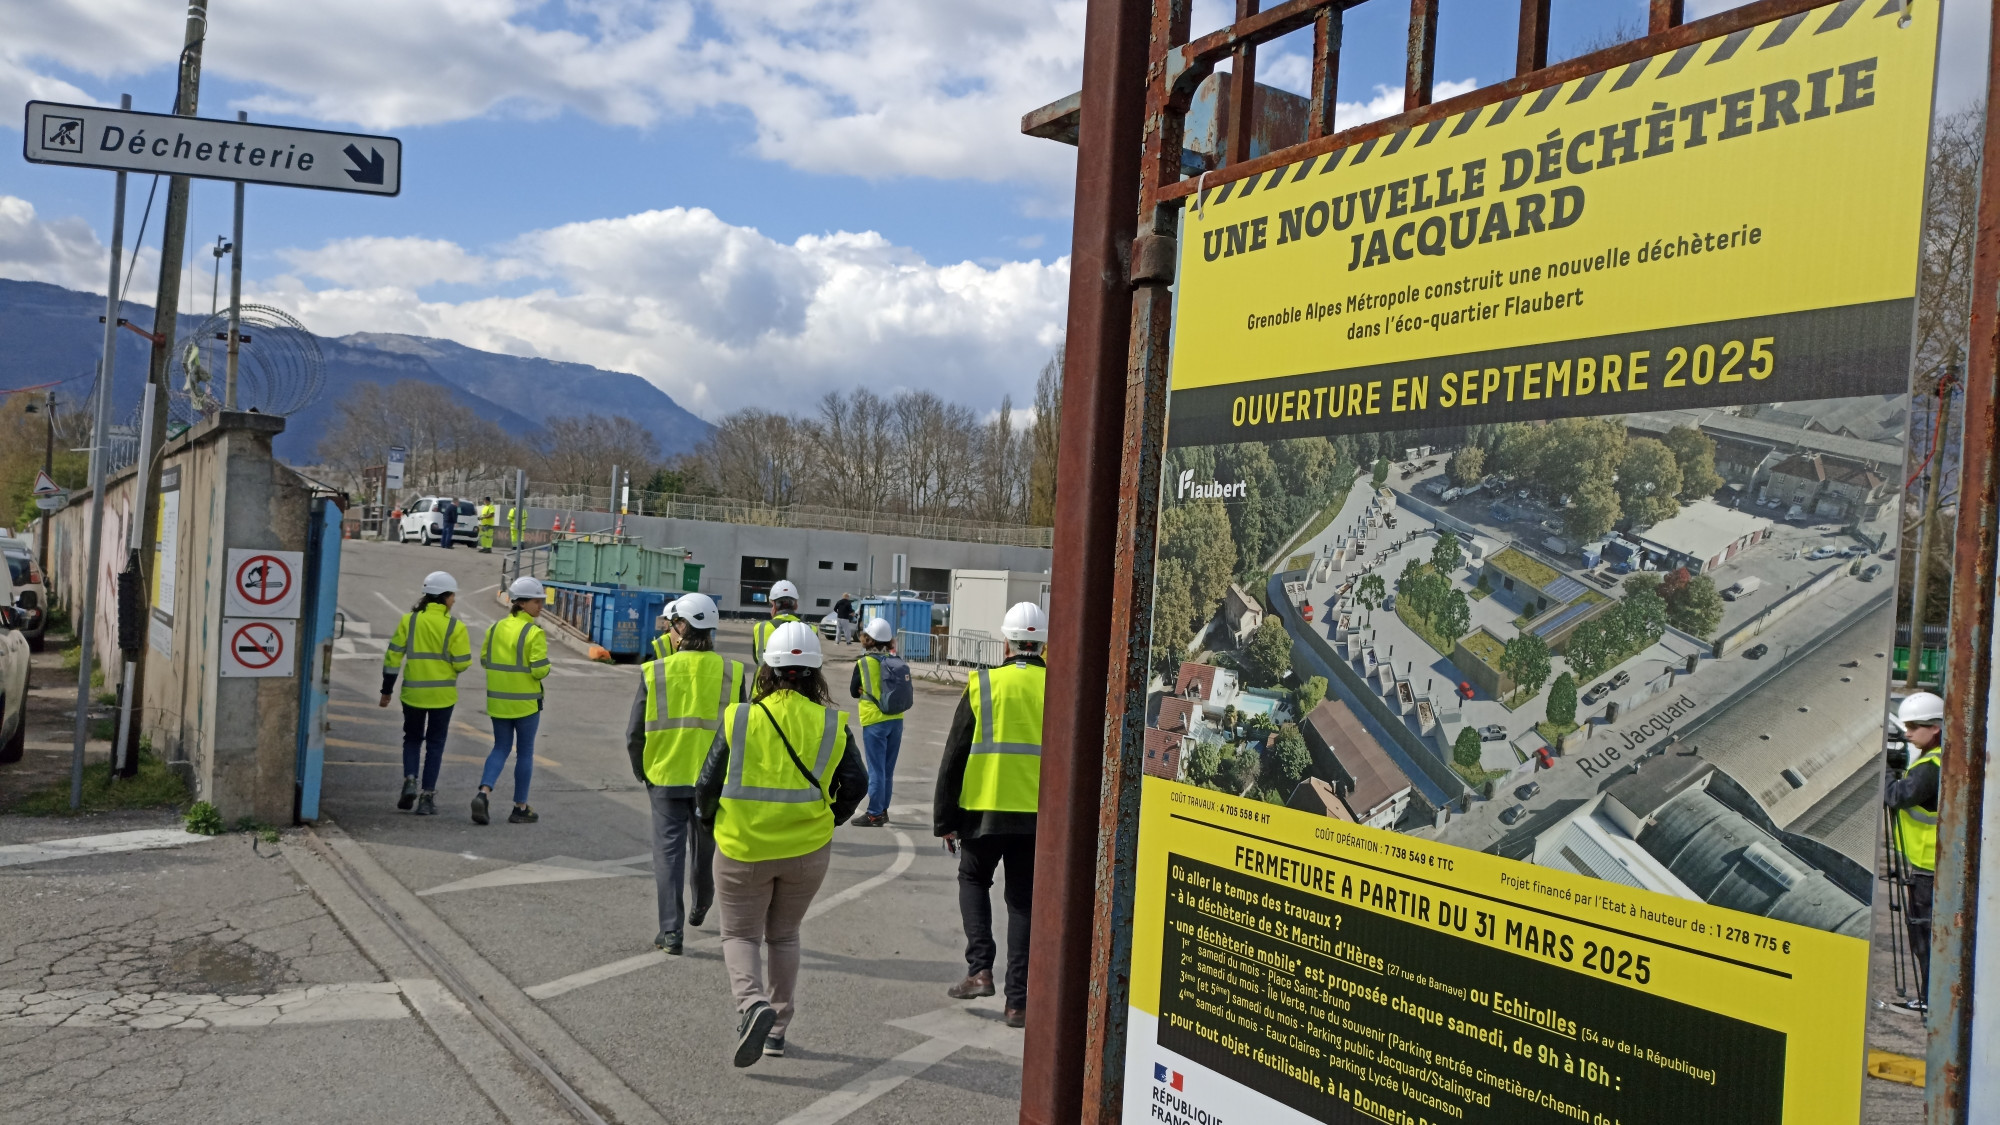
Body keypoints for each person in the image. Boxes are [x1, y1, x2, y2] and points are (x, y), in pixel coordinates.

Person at [695, 621, 867, 1067]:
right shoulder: (832, 723)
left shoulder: (741, 717)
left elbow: (705, 786)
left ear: (767, 668)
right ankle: (778, 1031)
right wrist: (829, 820)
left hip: (742, 848)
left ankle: (752, 1005)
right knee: (784, 935)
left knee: (739, 934)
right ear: (815, 672)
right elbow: (857, 782)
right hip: (807, 851)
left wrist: (714, 822)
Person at [934, 601, 1046, 1030]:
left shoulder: (983, 684)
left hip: (983, 811)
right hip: (1036, 815)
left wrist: (945, 818)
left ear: (1006, 641)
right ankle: (1018, 1002)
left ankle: (980, 970)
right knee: (1022, 903)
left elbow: (955, 754)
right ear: (1041, 643)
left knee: (974, 880)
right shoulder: (1057, 684)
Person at [627, 593, 744, 954]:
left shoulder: (656, 671)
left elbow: (634, 733)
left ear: (681, 626)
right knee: (704, 850)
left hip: (665, 775)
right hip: (712, 781)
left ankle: (671, 931)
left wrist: (642, 770)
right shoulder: (733, 671)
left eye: (670, 625)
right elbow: (742, 730)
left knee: (668, 855)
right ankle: (701, 904)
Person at [381, 571, 473, 815]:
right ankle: (426, 797)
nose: (454, 600)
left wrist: (386, 689)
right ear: (445, 597)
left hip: (413, 694)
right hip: (442, 697)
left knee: (411, 739)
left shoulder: (409, 621)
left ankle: (410, 780)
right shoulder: (455, 626)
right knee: (435, 744)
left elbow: (393, 657)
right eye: (453, 596)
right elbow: (462, 663)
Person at [474, 576, 553, 825]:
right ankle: (520, 807)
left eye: (541, 601)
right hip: (526, 704)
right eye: (536, 601)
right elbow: (539, 670)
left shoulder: (495, 628)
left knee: (500, 747)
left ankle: (483, 793)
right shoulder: (534, 633)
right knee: (525, 753)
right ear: (521, 603)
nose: (541, 606)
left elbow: (485, 660)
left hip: (499, 702)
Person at [1887, 690, 1945, 1013]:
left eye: (1913, 726)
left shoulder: (1929, 767)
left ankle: (1928, 1000)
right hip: (1925, 866)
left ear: (1934, 728)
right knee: (1923, 937)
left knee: (1924, 938)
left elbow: (1897, 796)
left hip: (1927, 868)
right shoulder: (1931, 760)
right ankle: (1928, 997)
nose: (1907, 732)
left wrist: (1884, 776)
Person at [849, 617, 907, 827]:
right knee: (887, 769)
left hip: (874, 721)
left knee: (876, 769)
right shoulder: (896, 660)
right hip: (896, 720)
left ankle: (873, 814)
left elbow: (853, 691)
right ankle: (883, 809)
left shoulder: (863, 663)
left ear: (868, 639)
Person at [751, 579, 803, 656]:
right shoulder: (811, 629)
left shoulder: (760, 628)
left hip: (767, 668)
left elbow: (757, 659)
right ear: (795, 605)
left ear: (774, 606)